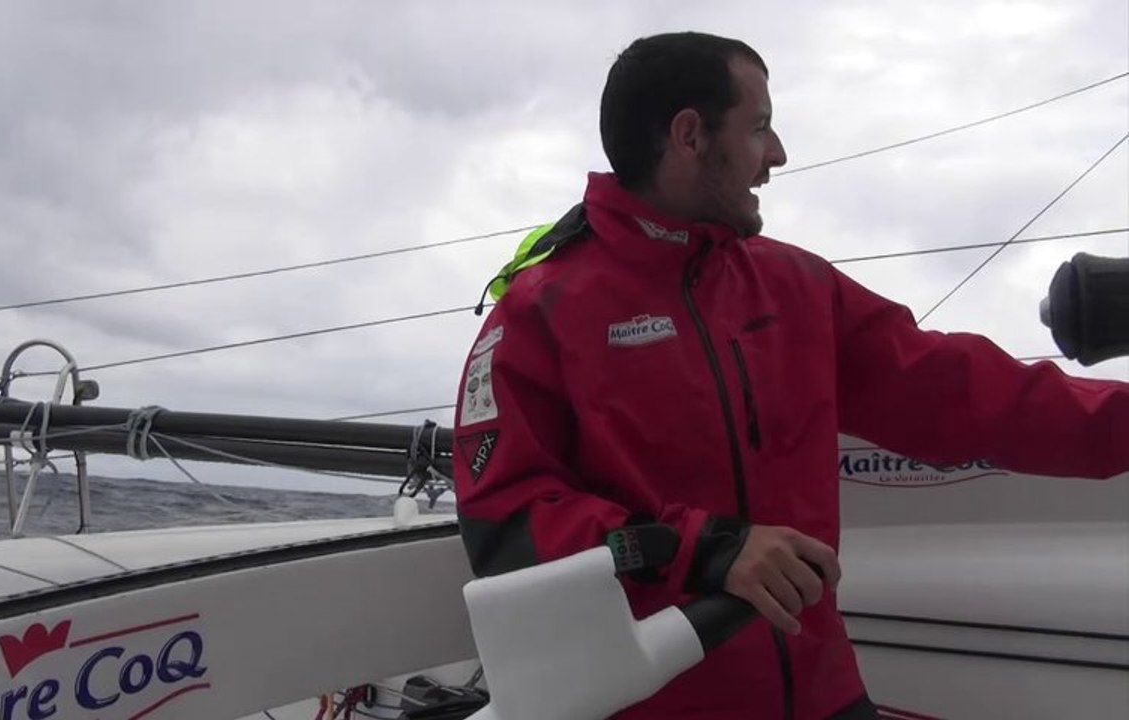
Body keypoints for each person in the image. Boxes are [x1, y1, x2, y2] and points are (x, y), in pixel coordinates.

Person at [450, 31, 1129, 720]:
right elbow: (506, 523)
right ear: (689, 135)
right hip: (657, 700)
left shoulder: (793, 285)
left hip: (822, 694)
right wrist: (703, 549)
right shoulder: (541, 312)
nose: (775, 155)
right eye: (759, 127)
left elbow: (965, 393)